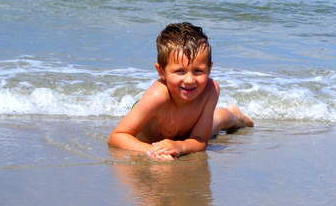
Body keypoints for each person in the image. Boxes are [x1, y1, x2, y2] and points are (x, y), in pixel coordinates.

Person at [107, 22, 253, 161]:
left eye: (198, 71)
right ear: (161, 71)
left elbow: (200, 141)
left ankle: (237, 115)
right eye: (179, 71)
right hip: (153, 141)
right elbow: (117, 136)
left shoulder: (210, 90)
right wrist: (153, 150)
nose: (189, 80)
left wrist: (179, 146)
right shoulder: (158, 95)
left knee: (221, 119)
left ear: (209, 69)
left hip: (188, 134)